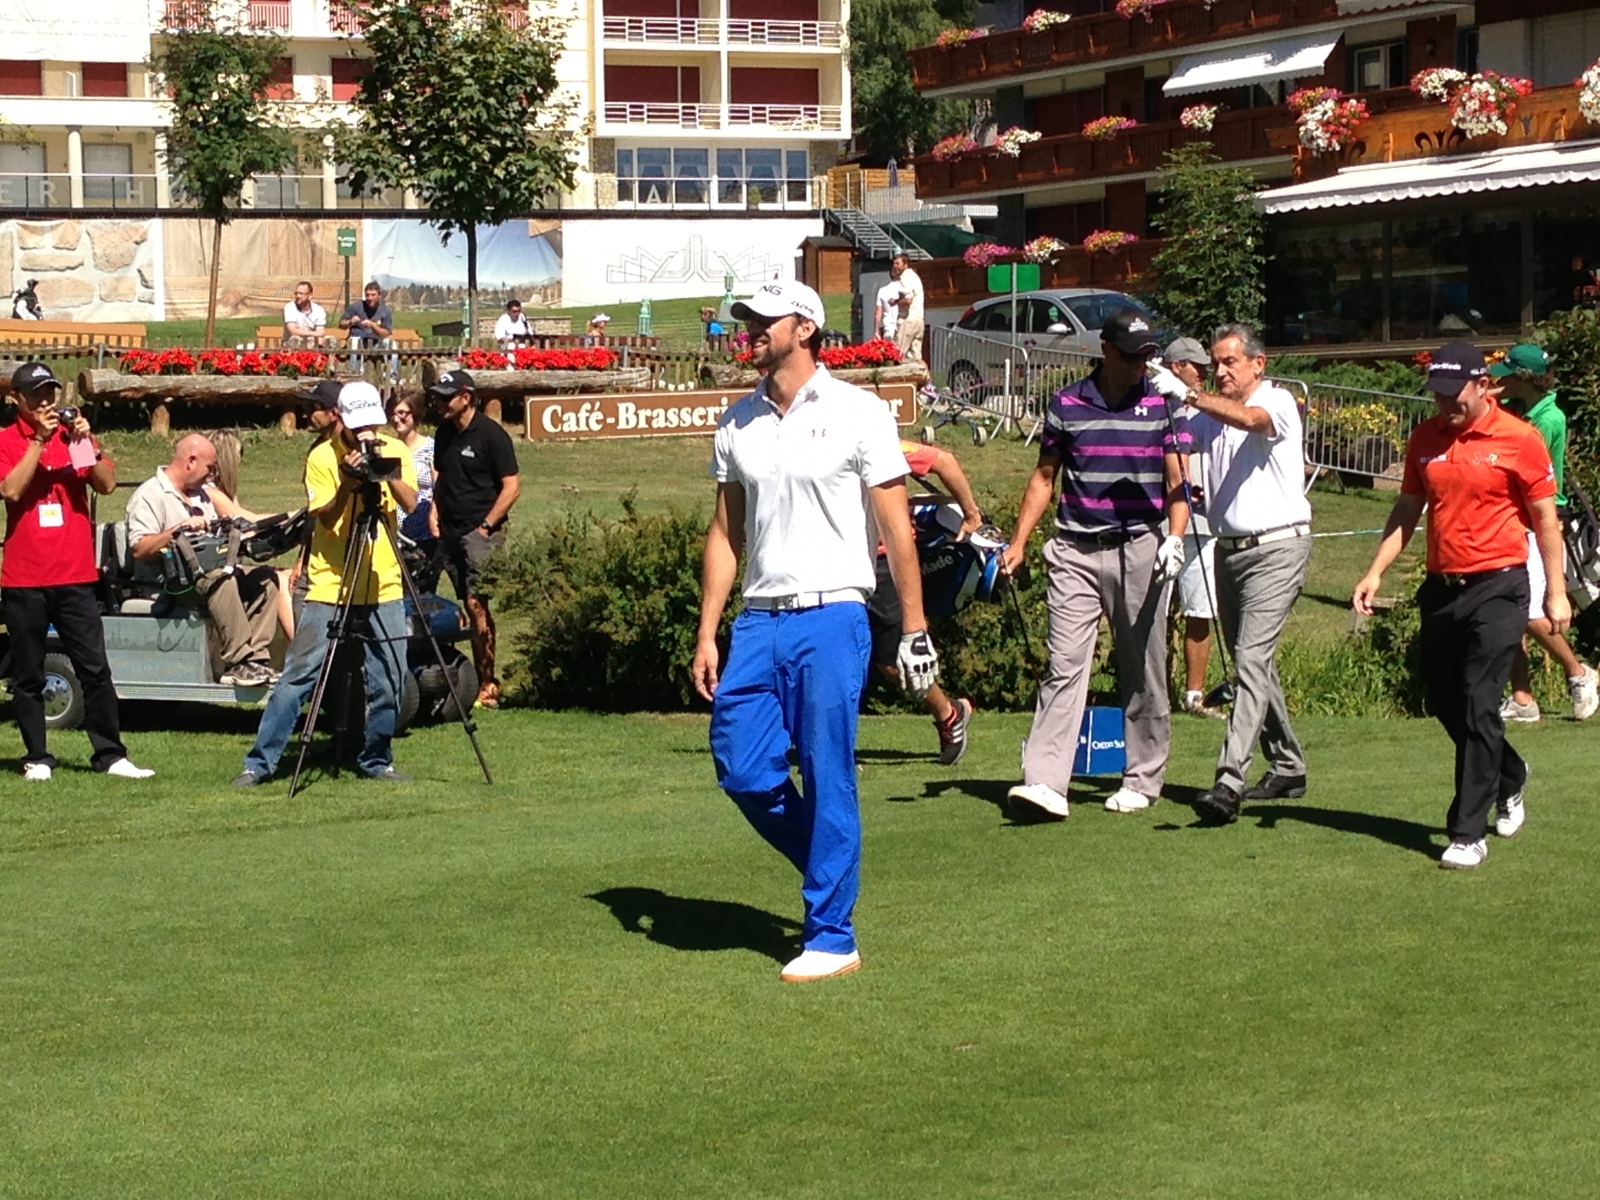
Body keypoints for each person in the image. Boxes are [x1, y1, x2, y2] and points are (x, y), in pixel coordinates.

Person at [691, 280, 937, 984]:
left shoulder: (860, 412)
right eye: (748, 320)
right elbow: (725, 530)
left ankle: (832, 932)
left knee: (829, 774)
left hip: (835, 615)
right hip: (759, 622)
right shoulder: (736, 421)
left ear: (805, 326)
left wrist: (913, 629)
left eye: (764, 320)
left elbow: (897, 527)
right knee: (740, 765)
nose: (751, 329)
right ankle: (833, 862)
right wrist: (709, 632)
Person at [1353, 342, 1567, 870]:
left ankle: (1468, 832)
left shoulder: (1520, 439)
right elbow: (1408, 507)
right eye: (1436, 394)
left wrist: (1555, 591)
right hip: (1442, 587)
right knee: (1445, 696)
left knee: (1477, 699)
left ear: (1482, 385)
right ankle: (1509, 773)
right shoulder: (1425, 437)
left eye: (1453, 394)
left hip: (1500, 584)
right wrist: (1375, 570)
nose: (1444, 404)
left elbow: (1545, 521)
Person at [1001, 308, 1189, 820]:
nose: (1139, 364)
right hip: (1076, 548)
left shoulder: (1163, 402)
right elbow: (1045, 476)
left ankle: (1143, 777)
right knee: (1064, 664)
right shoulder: (1067, 404)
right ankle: (1044, 782)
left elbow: (1179, 483)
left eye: (1146, 354)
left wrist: (1175, 539)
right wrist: (1019, 542)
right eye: (1130, 355)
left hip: (1142, 546)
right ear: (1104, 350)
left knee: (1143, 668)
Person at [1151, 324, 1314, 824]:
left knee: (1248, 659)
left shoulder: (1278, 401)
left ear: (1257, 363)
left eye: (1229, 362)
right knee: (1256, 664)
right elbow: (1178, 440)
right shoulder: (1211, 414)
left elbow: (1251, 421)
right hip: (1230, 550)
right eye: (1215, 363)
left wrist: (1191, 395)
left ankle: (1229, 782)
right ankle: (1287, 764)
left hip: (1278, 546)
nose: (1220, 371)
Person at [233, 381, 419, 788]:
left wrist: (383, 470)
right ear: (342, 420)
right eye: (359, 426)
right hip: (331, 584)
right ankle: (259, 763)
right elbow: (327, 519)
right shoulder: (322, 456)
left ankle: (376, 759)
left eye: (373, 424)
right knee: (298, 676)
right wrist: (350, 481)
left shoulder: (396, 450)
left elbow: (409, 503)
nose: (366, 433)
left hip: (383, 582)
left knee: (389, 676)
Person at [0, 363, 153, 781]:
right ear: (18, 400)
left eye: (50, 393)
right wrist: (39, 441)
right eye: (37, 396)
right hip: (25, 577)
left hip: (74, 575)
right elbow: (11, 490)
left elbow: (104, 484)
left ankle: (110, 754)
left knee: (95, 669)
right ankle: (37, 755)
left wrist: (86, 444)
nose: (46, 402)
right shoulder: (7, 440)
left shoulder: (72, 438)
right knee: (28, 673)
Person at [1490, 343, 1599, 723]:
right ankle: (1522, 698)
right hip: (1515, 518)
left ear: (1524, 378)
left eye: (1508, 378)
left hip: (1538, 522)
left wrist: (1488, 407)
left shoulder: (1545, 420)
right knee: (1508, 611)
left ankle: (1579, 672)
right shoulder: (1527, 408)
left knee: (1527, 611)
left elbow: (1512, 448)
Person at [124, 434, 281, 687]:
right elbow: (140, 549)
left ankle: (256, 660)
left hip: (206, 572)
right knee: (222, 579)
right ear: (190, 461)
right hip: (170, 582)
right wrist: (177, 530)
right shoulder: (150, 495)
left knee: (264, 578)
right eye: (209, 467)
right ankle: (238, 661)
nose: (211, 475)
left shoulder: (202, 495)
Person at [868, 439, 981, 763]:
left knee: (891, 662)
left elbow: (942, 460)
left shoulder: (876, 438)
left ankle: (948, 713)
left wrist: (971, 514)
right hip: (837, 561)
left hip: (885, 560)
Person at [427, 369, 520, 710]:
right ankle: (451, 676)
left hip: (479, 532)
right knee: (454, 605)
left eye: (446, 396)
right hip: (448, 531)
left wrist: (486, 525)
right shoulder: (443, 432)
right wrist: (434, 511)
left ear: (466, 398)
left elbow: (512, 487)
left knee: (477, 604)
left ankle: (487, 683)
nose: (439, 402)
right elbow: (441, 475)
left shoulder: (492, 436)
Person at [1162, 336, 1223, 718]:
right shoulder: (1155, 408)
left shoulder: (1205, 410)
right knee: (1152, 612)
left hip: (1203, 524)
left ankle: (1193, 696)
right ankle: (1150, 691)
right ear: (1175, 367)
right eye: (1195, 366)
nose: (1204, 373)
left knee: (1200, 612)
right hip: (1162, 525)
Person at [204, 428, 298, 641]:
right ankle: (303, 652)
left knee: (289, 575)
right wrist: (292, 515)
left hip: (232, 564)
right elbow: (249, 521)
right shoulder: (211, 493)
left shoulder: (225, 493)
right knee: (278, 579)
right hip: (219, 570)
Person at [387, 392, 436, 552]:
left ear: (415, 413)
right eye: (392, 414)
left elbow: (439, 488)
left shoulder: (431, 448)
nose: (396, 419)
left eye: (401, 413)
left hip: (423, 531)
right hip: (393, 530)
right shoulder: (387, 448)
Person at [340, 282, 394, 374]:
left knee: (392, 345)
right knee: (354, 342)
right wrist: (350, 322)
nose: (370, 298)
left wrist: (373, 325)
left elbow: (386, 333)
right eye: (367, 295)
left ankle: (391, 376)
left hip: (376, 342)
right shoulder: (356, 307)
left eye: (373, 295)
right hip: (358, 339)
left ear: (379, 295)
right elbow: (341, 324)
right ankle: (355, 373)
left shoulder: (385, 311)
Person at [890, 254, 924, 360]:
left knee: (898, 354)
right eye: (894, 263)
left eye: (898, 263)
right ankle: (924, 377)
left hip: (909, 320)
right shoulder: (914, 276)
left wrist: (896, 302)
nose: (895, 266)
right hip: (919, 320)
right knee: (916, 358)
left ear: (905, 264)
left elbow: (908, 300)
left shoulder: (905, 277)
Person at [282, 280, 329, 347]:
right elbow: (293, 331)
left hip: (311, 345)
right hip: (292, 344)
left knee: (331, 340)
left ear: (310, 295)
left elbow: (320, 332)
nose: (298, 296)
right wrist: (314, 333)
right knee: (295, 339)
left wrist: (319, 348)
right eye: (296, 293)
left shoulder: (319, 310)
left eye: (301, 294)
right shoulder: (290, 307)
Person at [874, 278, 902, 343]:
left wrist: (876, 331)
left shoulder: (882, 290)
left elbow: (878, 313)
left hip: (888, 326)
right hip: (901, 325)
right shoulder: (904, 290)